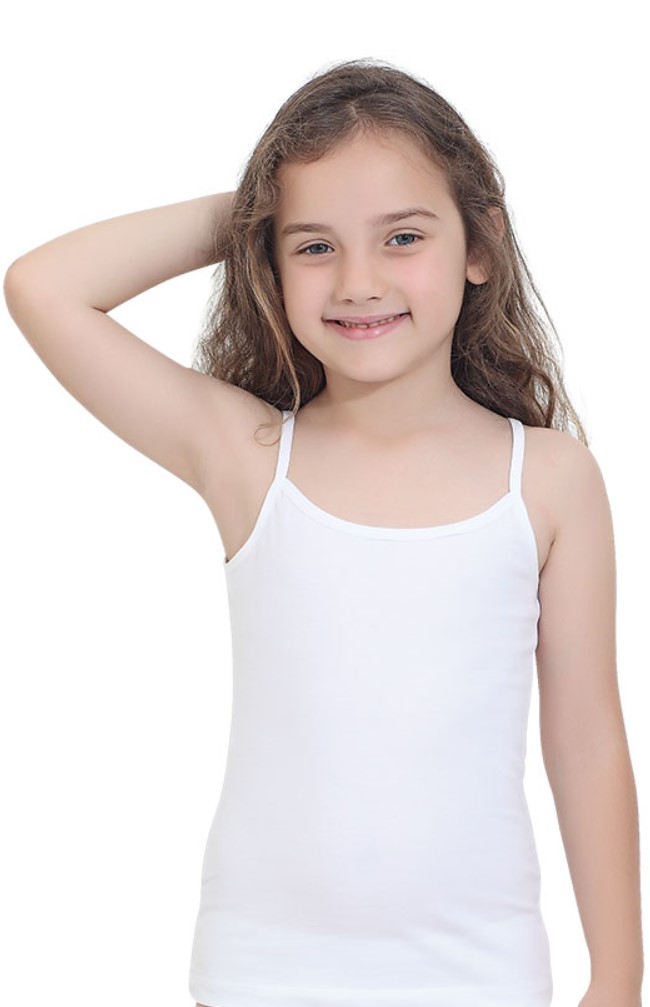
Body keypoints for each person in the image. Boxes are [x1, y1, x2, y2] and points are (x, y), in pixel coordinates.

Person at [4, 58, 643, 1007]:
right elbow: (43, 286)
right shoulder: (249, 456)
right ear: (269, 259)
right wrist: (256, 209)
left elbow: (587, 740)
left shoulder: (549, 480)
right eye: (314, 246)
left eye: (402, 236)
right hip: (262, 971)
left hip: (481, 974)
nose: (359, 281)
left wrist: (619, 977)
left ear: (480, 244)